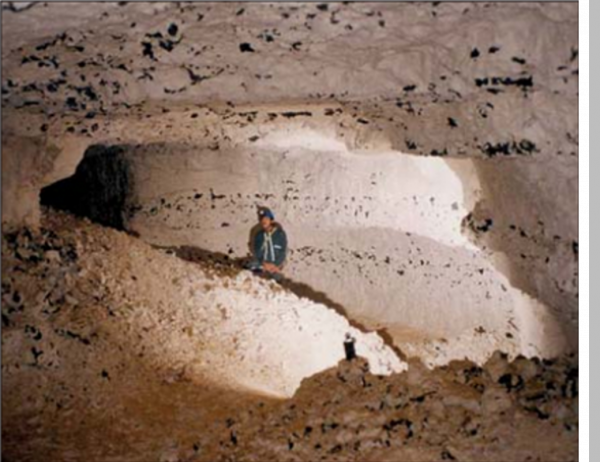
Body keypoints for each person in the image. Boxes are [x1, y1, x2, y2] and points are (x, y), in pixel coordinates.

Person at [247, 207, 287, 281]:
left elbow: (283, 252)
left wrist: (276, 265)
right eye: (262, 219)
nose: (263, 221)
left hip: (275, 267)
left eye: (266, 219)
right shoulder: (258, 236)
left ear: (271, 220)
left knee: (277, 279)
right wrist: (263, 263)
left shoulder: (280, 234)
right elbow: (257, 252)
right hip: (262, 265)